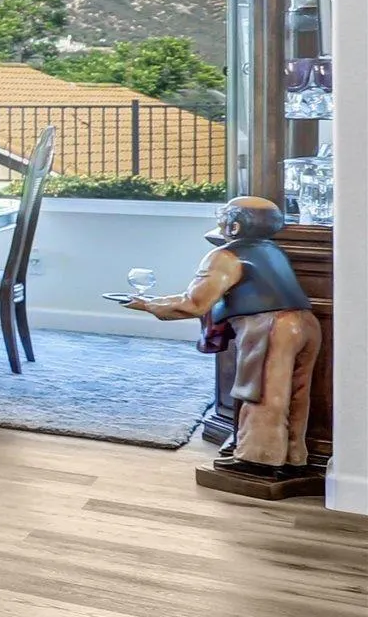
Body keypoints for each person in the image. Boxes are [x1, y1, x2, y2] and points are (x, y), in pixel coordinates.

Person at [126, 195, 320, 474]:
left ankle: (259, 458)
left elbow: (195, 303)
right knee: (297, 393)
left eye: (224, 215)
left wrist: (148, 305)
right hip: (307, 323)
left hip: (270, 327)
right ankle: (293, 456)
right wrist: (157, 301)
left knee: (263, 393)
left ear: (235, 226)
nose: (220, 220)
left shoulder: (224, 256)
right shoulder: (272, 251)